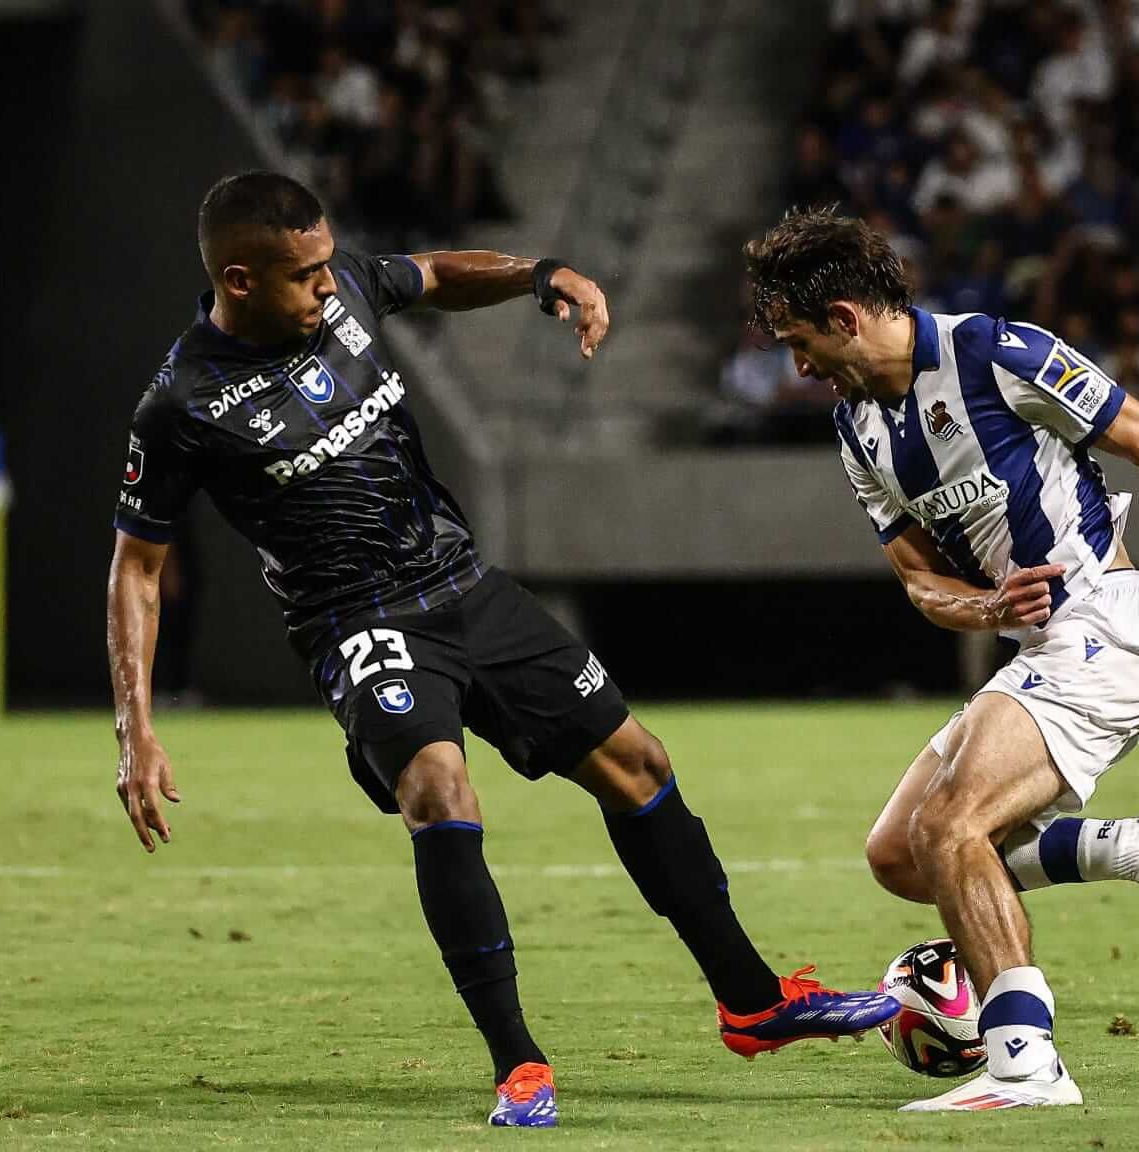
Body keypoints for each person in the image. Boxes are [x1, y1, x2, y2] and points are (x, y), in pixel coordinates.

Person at [104, 172, 898, 1128]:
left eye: (329, 266)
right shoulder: (183, 401)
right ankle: (518, 1064)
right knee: (439, 787)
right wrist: (135, 729)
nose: (327, 286)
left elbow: (436, 274)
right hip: (359, 622)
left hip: (466, 586)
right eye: (305, 276)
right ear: (239, 278)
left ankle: (754, 1001)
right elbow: (137, 570)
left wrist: (540, 274)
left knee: (639, 765)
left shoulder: (349, 287)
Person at [743, 208, 1139, 1111]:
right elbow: (919, 583)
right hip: (1040, 642)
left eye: (799, 341)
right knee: (900, 855)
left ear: (846, 318)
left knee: (949, 827)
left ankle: (1026, 1065)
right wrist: (988, 606)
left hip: (1104, 625)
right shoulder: (857, 431)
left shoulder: (991, 352)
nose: (796, 365)